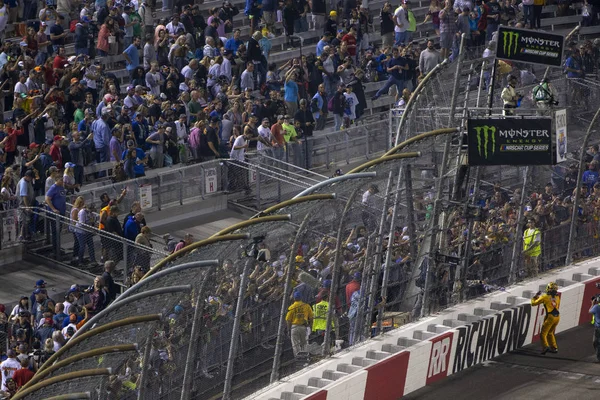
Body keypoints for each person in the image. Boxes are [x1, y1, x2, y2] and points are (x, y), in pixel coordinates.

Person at [531, 282, 560, 354]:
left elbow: (533, 303)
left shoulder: (545, 297)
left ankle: (545, 347)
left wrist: (535, 297)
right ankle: (554, 347)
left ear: (549, 289)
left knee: (543, 334)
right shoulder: (557, 297)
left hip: (550, 317)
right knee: (550, 333)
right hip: (557, 316)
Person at [286, 291, 314, 358]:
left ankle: (298, 358)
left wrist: (288, 329)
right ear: (301, 298)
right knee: (305, 344)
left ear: (294, 298)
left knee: (295, 345)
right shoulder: (306, 306)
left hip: (294, 327)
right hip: (304, 326)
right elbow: (311, 318)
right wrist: (311, 326)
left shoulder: (291, 307)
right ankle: (305, 358)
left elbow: (288, 320)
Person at [590, 294, 600, 362]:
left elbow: (590, 311)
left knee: (596, 342)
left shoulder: (596, 307)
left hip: (598, 328)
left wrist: (592, 303)